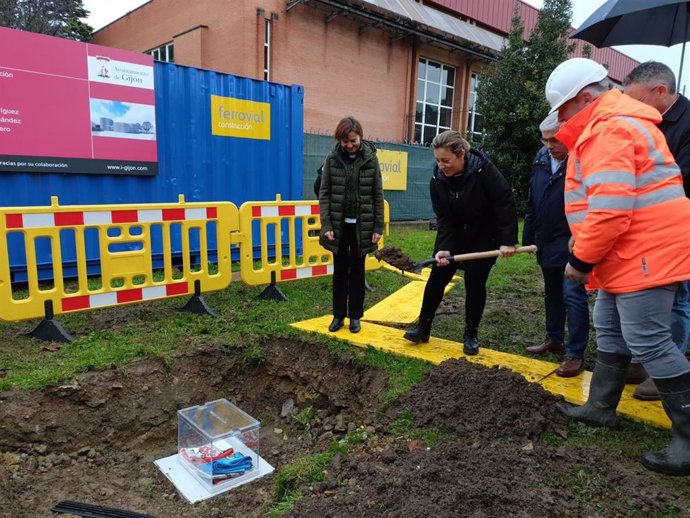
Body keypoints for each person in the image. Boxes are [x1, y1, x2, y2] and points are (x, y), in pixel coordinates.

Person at [545, 57, 690, 476]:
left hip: (645, 252)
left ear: (586, 99)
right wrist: (585, 238)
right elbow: (604, 203)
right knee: (608, 323)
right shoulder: (610, 125)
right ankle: (600, 407)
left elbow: (611, 209)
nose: (561, 120)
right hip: (628, 251)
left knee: (650, 342)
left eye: (564, 109)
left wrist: (580, 259)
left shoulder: (609, 129)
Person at [403, 130, 518, 355]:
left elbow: (504, 203)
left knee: (475, 283)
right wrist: (443, 247)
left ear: (461, 154)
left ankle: (470, 334)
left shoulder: (484, 171)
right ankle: (422, 328)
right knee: (437, 278)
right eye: (437, 160)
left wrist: (508, 241)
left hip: (485, 235)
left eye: (446, 160)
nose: (441, 165)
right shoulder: (438, 179)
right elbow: (444, 217)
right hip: (455, 234)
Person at [622, 61, 690, 400]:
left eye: (637, 101)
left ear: (660, 91)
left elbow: (680, 179)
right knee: (646, 291)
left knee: (677, 297)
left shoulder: (686, 124)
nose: (632, 109)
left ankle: (671, 366)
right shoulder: (650, 123)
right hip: (650, 226)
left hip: (679, 227)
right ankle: (639, 361)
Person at [522, 112, 590, 377]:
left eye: (555, 139)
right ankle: (554, 338)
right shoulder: (540, 160)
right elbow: (532, 200)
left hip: (572, 240)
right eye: (545, 140)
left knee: (573, 296)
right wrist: (529, 236)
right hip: (545, 240)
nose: (549, 145)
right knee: (551, 292)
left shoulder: (581, 160)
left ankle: (575, 354)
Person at [318, 116, 384, 334]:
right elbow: (324, 193)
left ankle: (355, 316)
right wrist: (326, 223)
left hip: (361, 227)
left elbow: (377, 195)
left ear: (361, 137)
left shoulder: (371, 160)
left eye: (353, 140)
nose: (349, 145)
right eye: (345, 141)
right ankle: (338, 315)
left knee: (357, 271)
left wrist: (377, 228)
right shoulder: (332, 158)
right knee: (339, 272)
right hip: (338, 227)